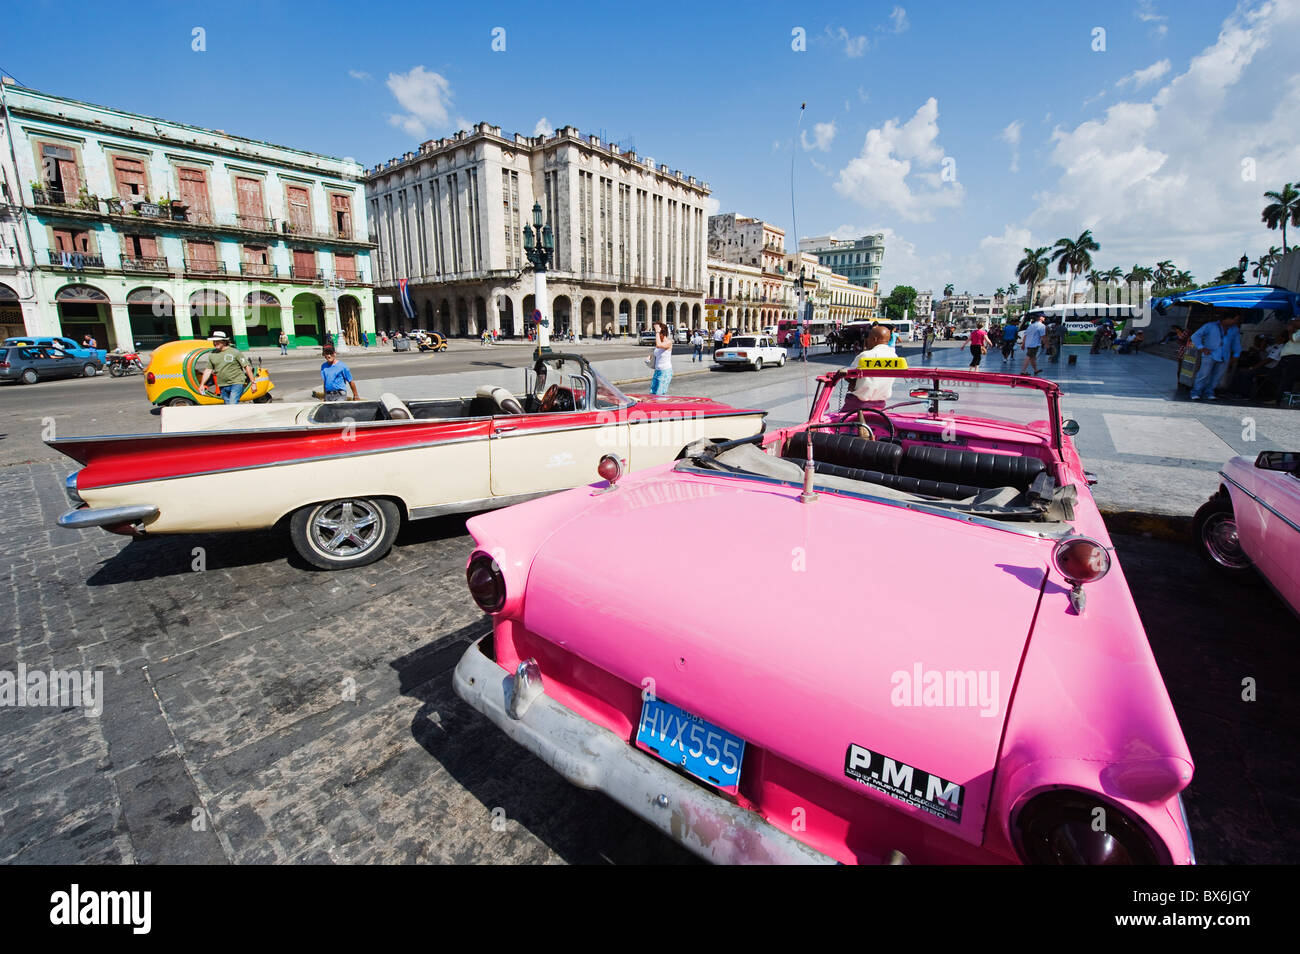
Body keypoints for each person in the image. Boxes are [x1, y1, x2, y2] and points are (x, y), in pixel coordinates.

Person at [840, 325, 897, 414]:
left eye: (868, 337)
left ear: (874, 339)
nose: (866, 340)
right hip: (880, 405)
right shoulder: (894, 357)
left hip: (857, 404)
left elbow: (849, 375)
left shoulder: (866, 356)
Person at [1188, 314, 1242, 401]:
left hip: (1225, 356)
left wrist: (1236, 354)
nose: (1236, 322)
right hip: (1209, 355)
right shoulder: (1210, 326)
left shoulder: (1234, 329)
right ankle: (1195, 392)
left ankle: (1209, 392)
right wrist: (1201, 347)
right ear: (1227, 318)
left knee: (1217, 376)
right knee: (1203, 374)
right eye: (1234, 319)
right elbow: (1195, 336)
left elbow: (1236, 342)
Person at [199, 331, 258, 404]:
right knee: (228, 406)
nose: (215, 343)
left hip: (236, 383)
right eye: (214, 341)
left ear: (224, 341)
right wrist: (202, 384)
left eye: (218, 341)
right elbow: (208, 370)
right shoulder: (212, 354)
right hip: (222, 385)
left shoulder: (235, 352)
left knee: (232, 403)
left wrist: (253, 383)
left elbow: (246, 367)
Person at [650, 321, 673, 395]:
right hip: (657, 371)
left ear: (662, 333)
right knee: (653, 393)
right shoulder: (659, 342)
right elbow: (657, 354)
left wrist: (657, 331)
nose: (656, 335)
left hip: (665, 372)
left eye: (657, 333)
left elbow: (658, 345)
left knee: (659, 394)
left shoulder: (668, 343)